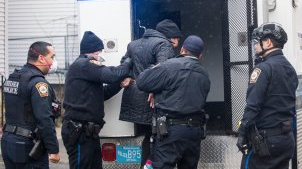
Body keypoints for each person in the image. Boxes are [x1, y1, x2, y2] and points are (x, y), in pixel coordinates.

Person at [136, 35, 211, 169]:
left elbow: (142, 82)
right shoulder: (204, 74)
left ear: (182, 49)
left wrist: (156, 67)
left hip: (170, 131)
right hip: (194, 132)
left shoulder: (168, 66)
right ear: (200, 55)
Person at [61, 31, 131, 169]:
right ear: (93, 51)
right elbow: (112, 75)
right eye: (99, 52)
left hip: (88, 132)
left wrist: (119, 85)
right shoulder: (84, 64)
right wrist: (128, 62)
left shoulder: (85, 68)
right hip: (79, 131)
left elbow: (102, 94)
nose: (100, 56)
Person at [119, 19, 183, 167]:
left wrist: (127, 76)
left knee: (150, 135)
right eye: (177, 38)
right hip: (152, 100)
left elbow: (124, 65)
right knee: (157, 137)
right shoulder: (163, 45)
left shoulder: (133, 44)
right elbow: (163, 70)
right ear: (170, 36)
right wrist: (153, 89)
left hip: (134, 99)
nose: (178, 42)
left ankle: (145, 165)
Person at [236, 23, 298, 169]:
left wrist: (242, 133)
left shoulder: (263, 69)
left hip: (265, 142)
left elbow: (253, 105)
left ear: (268, 42)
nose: (255, 46)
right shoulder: (290, 69)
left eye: (257, 42)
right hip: (286, 140)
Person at [1, 41, 60, 168]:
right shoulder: (38, 83)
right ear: (41, 58)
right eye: (52, 57)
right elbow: (44, 118)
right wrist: (53, 149)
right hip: (27, 146)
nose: (54, 61)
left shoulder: (13, 77)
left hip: (8, 142)